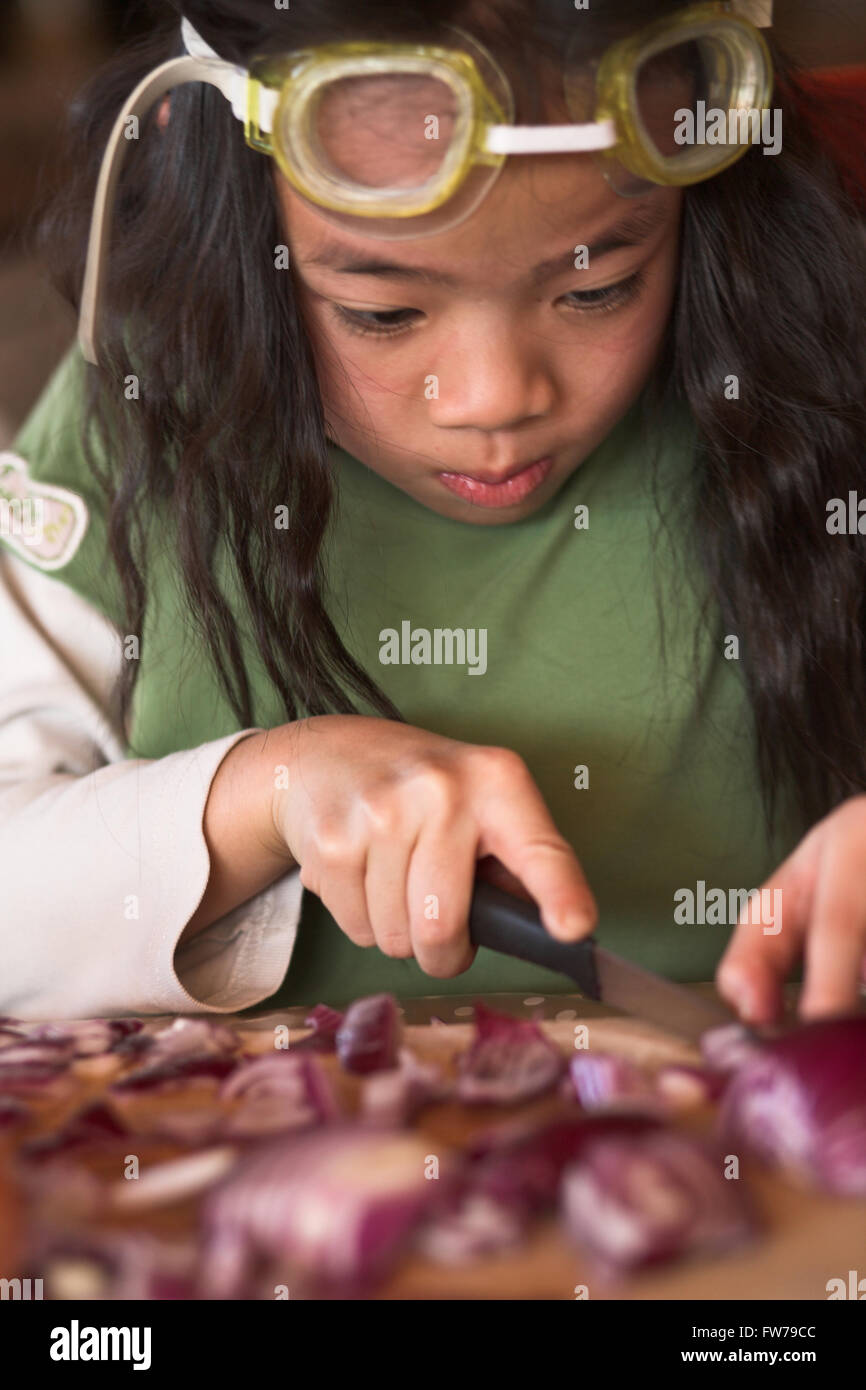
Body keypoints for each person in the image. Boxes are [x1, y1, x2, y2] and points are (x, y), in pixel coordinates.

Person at [1, 0, 864, 1025]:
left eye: (598, 288)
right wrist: (265, 794)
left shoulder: (816, 377)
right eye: (383, 313)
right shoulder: (146, 407)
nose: (492, 396)